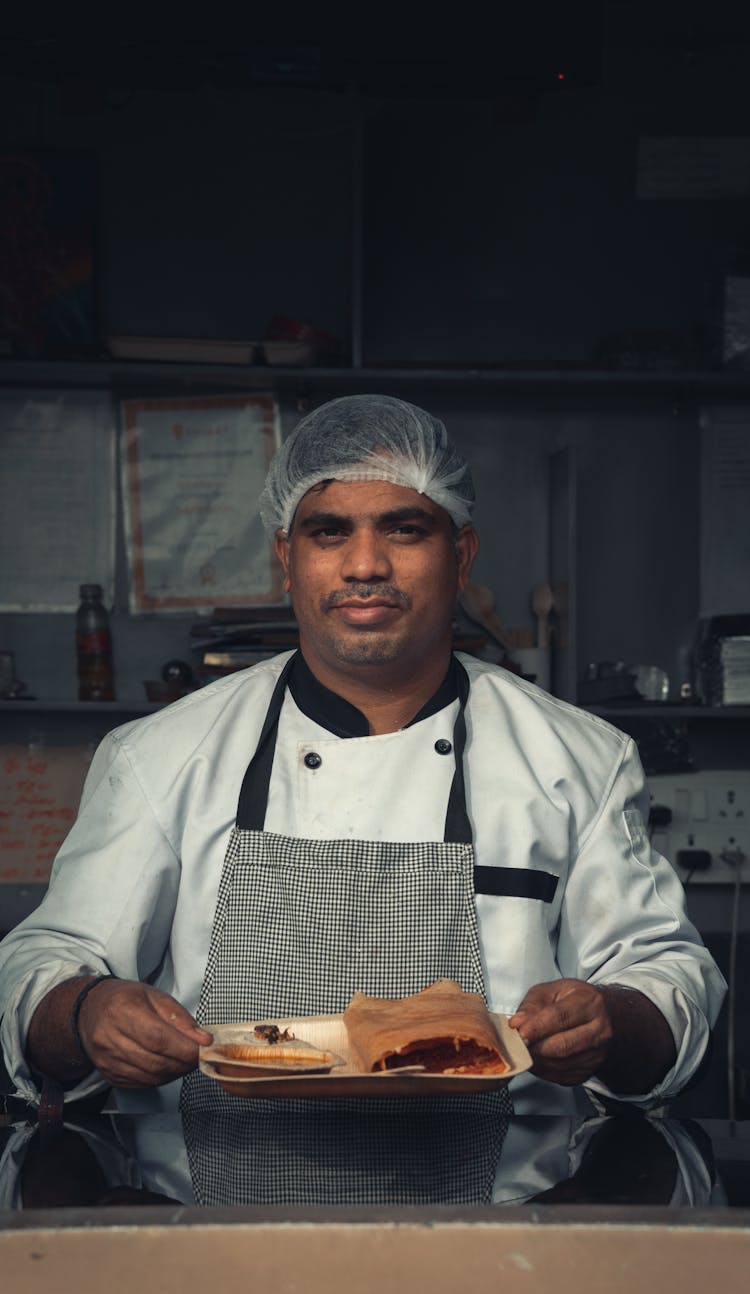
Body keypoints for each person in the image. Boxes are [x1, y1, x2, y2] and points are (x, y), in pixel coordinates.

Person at [0, 394, 726, 1116]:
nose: (365, 564)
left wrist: (611, 1020)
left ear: (461, 553)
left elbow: (669, 977)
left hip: (505, 1213)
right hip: (212, 1216)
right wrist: (85, 1010)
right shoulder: (159, 757)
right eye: (329, 531)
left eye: (405, 529)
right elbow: (39, 966)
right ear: (287, 557)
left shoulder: (579, 760)